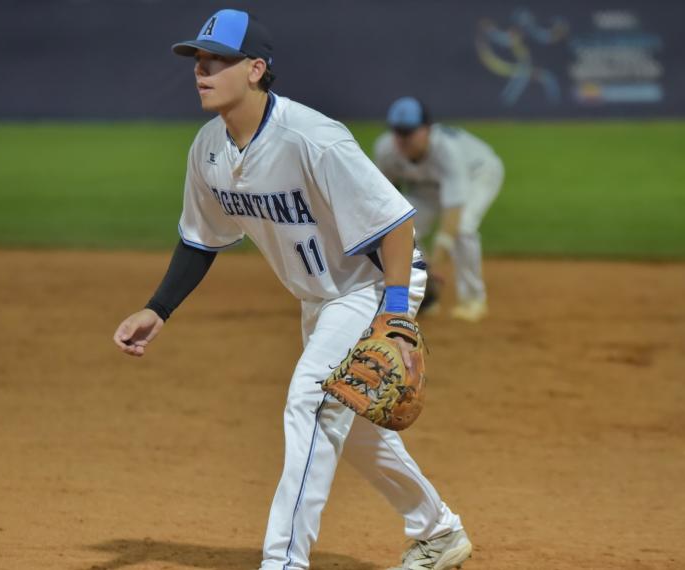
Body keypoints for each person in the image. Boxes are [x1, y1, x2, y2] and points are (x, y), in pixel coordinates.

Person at [111, 9, 472, 570]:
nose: (202, 71)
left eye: (218, 61)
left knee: (311, 398)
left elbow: (396, 226)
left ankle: (284, 562)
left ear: (256, 69)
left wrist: (397, 314)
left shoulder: (313, 139)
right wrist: (158, 308)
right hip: (322, 298)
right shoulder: (209, 149)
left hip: (375, 281)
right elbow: (200, 239)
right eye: (198, 61)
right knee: (347, 425)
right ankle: (438, 530)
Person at [374, 98, 504, 322]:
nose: (403, 138)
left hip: (478, 173)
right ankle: (425, 296)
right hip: (428, 184)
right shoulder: (385, 150)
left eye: (409, 131)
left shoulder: (446, 151)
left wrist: (436, 258)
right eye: (398, 131)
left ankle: (473, 300)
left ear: (426, 129)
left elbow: (453, 211)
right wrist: (421, 266)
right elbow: (387, 201)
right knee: (400, 225)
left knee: (463, 228)